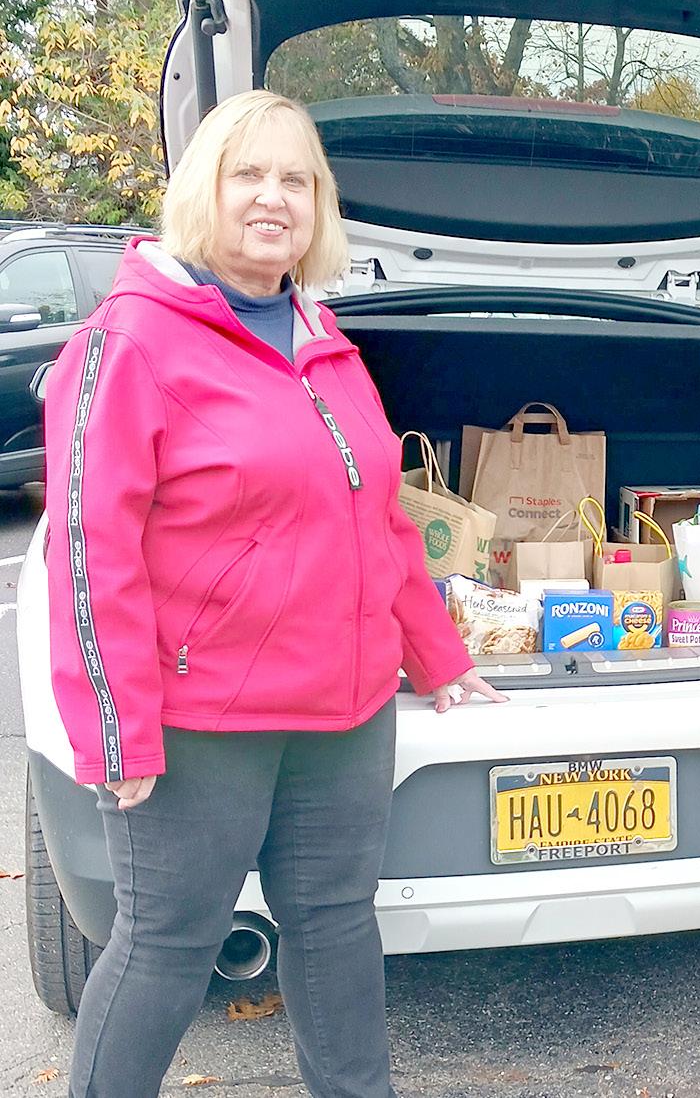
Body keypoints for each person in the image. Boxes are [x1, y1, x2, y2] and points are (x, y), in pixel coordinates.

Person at [44, 89, 503, 1098]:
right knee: (167, 944)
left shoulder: (321, 339)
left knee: (335, 924)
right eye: (247, 174)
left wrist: (438, 656)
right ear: (201, 192)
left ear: (318, 206)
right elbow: (89, 551)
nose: (273, 197)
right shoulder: (132, 340)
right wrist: (117, 730)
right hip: (204, 719)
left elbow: (378, 516)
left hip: (344, 711)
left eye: (296, 179)